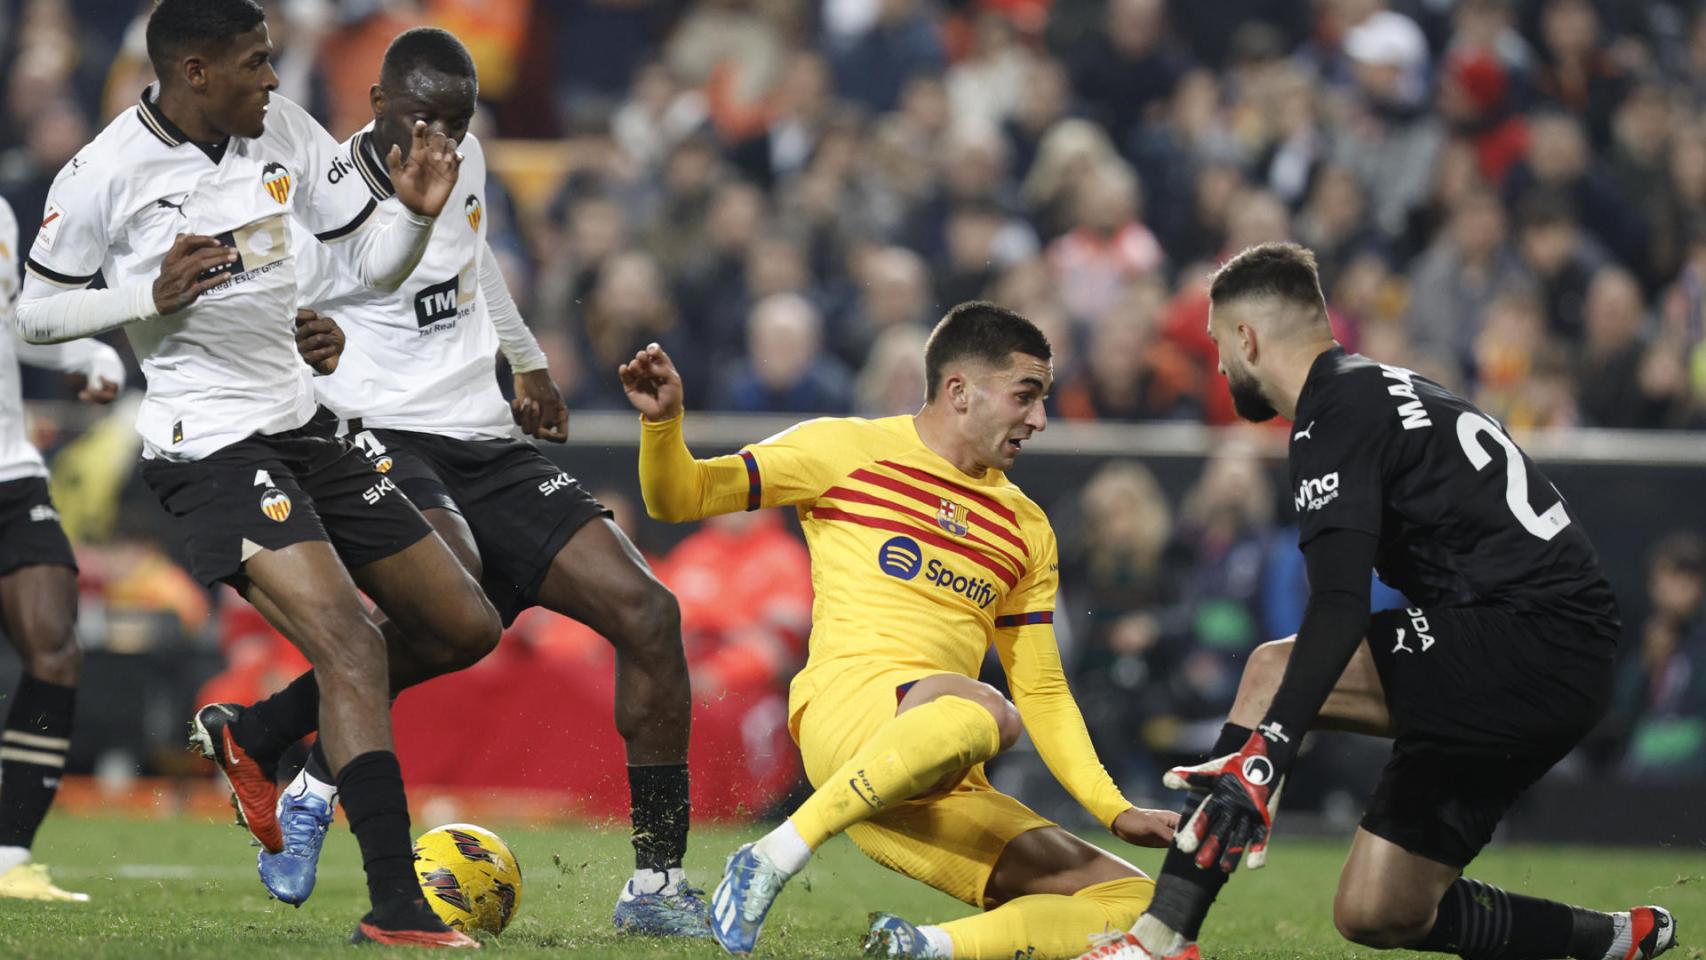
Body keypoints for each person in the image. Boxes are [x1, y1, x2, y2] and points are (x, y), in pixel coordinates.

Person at [14, 0, 503, 946]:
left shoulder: (281, 129)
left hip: (303, 422)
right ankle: (395, 907)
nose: (274, 78)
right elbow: (34, 315)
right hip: (209, 446)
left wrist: (412, 218)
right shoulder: (105, 171)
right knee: (353, 647)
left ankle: (260, 733)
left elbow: (367, 268)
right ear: (195, 71)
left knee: (462, 623)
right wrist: (142, 295)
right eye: (255, 63)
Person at [1075, 243, 1676, 960]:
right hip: (1536, 650)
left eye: (1217, 344)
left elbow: (1339, 604)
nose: (1220, 366)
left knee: (1270, 672)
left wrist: (1266, 753)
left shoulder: (1333, 413)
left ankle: (1161, 936)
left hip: (1530, 639)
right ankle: (1611, 940)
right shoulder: (1379, 390)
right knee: (1379, 910)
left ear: (1247, 338)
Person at [235, 27, 706, 935]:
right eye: (423, 121)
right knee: (454, 609)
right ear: (376, 103)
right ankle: (307, 769)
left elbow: (475, 255)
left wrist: (526, 362)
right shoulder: (320, 196)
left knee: (650, 614)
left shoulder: (465, 159)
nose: (441, 142)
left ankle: (655, 886)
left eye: (457, 122)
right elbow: (290, 310)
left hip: (483, 438)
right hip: (376, 434)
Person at [620, 302, 1180, 960]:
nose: (1040, 419)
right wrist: (663, 426)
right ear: (960, 391)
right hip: (847, 717)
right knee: (988, 711)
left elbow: (1045, 691)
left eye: (1044, 400)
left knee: (1139, 906)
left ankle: (921, 948)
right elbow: (680, 497)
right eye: (1025, 396)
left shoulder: (1026, 528)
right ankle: (775, 854)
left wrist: (1115, 809)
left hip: (932, 778)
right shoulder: (842, 449)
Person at [0, 195, 124, 903]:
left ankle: (8, 856)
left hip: (12, 471)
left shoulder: (0, 214)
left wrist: (86, 351)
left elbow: (15, 322)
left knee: (55, 650)